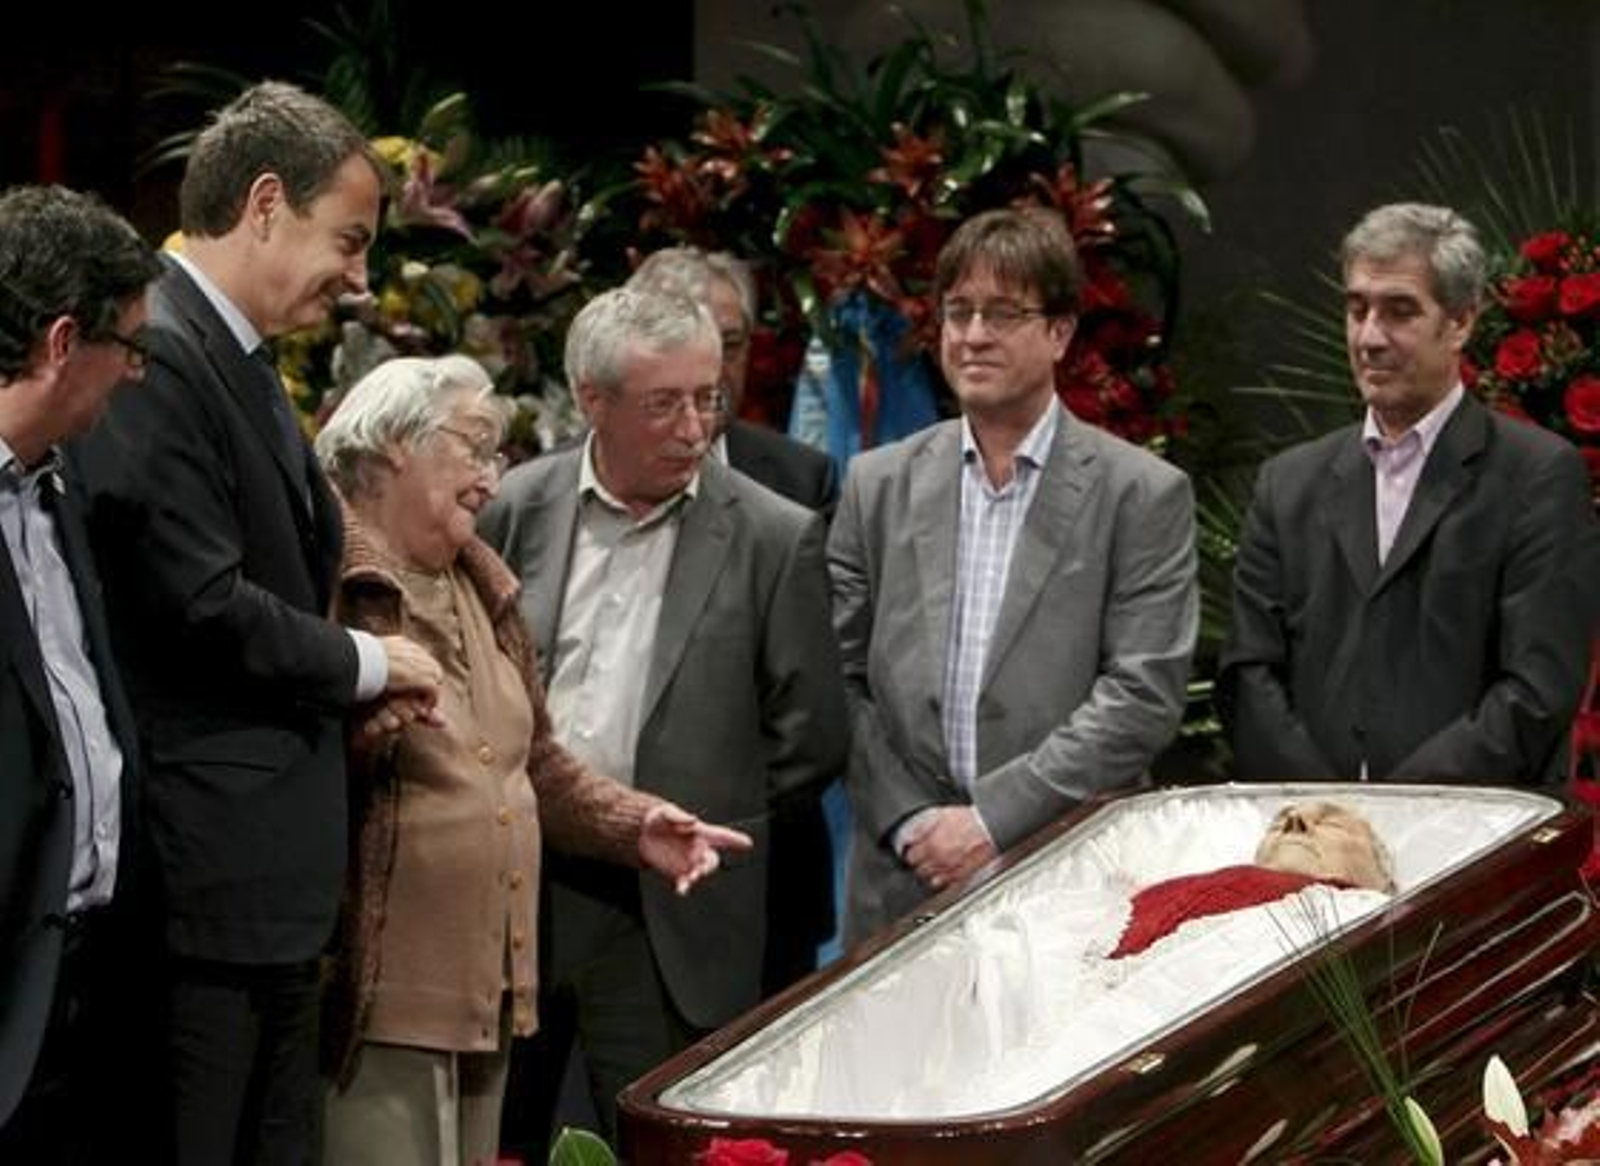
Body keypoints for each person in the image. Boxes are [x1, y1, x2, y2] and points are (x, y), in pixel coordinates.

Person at [69, 82, 444, 1165]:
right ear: (267, 203)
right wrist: (364, 661)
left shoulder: (231, 354)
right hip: (199, 886)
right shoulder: (156, 347)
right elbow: (192, 599)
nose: (360, 277)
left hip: (263, 888)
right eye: (350, 240)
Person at [311, 353, 752, 1166]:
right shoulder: (329, 585)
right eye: (473, 448)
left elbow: (534, 763)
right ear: (395, 446)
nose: (491, 477)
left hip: (485, 997)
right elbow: (290, 762)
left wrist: (636, 826)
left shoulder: (481, 586)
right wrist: (359, 732)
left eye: (497, 453)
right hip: (382, 1001)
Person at [478, 285, 848, 1150]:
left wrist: (707, 800)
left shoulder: (772, 535)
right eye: (664, 404)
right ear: (593, 400)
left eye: (707, 398)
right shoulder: (517, 508)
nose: (695, 429)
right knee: (496, 1138)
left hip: (671, 909)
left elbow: (813, 735)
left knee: (658, 1142)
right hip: (520, 884)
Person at [829, 205, 1199, 945]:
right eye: (958, 311)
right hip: (903, 882)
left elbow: (1140, 696)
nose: (972, 335)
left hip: (1068, 878)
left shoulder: (1141, 494)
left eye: (1002, 313)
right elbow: (836, 679)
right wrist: (913, 821)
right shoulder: (877, 484)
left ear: (1060, 333)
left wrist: (992, 820)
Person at [1218, 202, 1600, 786]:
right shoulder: (1287, 483)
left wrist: (1399, 811)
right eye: (1357, 309)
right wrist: (1329, 811)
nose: (1369, 337)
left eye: (1399, 311)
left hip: (1477, 827)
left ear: (1461, 322)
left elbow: (1539, 686)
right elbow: (1248, 674)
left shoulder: (1537, 476)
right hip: (1313, 826)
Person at [625, 244, 840, 993]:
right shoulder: (553, 490)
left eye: (732, 344)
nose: (714, 370)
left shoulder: (800, 481)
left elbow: (819, 702)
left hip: (762, 870)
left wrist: (718, 810)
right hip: (602, 876)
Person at [0, 185, 162, 1164]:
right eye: (129, 346)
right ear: (63, 341)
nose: (137, 372)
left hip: (88, 982)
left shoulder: (61, 487)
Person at [1109, 799, 1395, 957]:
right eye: (1278, 824)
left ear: (1382, 879)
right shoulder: (1164, 891)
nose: (1295, 822)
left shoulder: (1384, 938)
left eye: (1331, 823)